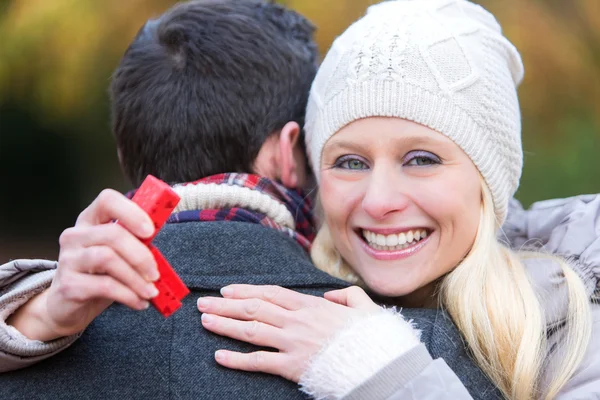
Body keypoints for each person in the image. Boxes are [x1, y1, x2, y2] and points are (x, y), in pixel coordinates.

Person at [0, 0, 506, 399]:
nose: (379, 200)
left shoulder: (37, 337)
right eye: (349, 161)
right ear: (290, 151)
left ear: (124, 149)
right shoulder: (431, 358)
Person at [195, 1, 600, 399]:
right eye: (350, 162)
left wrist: (386, 377)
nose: (378, 201)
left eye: (421, 159)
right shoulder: (286, 289)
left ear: (489, 181)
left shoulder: (578, 325)